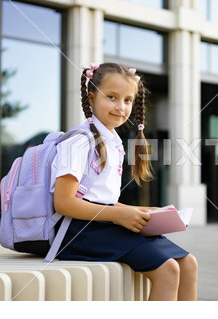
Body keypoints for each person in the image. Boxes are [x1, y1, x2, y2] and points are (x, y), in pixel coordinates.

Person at [51, 62, 198, 301]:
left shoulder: (114, 142)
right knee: (168, 269)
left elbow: (103, 201)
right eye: (111, 97)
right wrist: (120, 216)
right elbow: (64, 202)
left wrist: (139, 212)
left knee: (188, 263)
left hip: (102, 225)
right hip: (77, 231)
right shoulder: (78, 142)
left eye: (128, 100)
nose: (121, 107)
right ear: (91, 98)